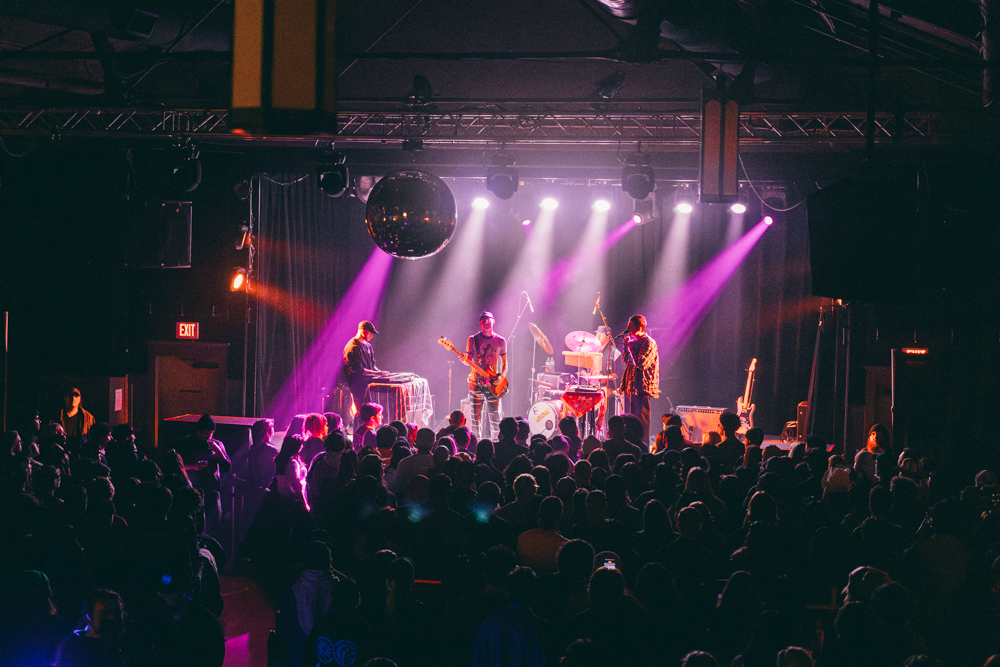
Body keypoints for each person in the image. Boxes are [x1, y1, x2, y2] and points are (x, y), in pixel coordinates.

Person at [174, 414, 232, 539]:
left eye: (211, 433)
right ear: (198, 431)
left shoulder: (217, 444)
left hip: (212, 490)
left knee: (215, 523)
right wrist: (194, 466)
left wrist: (220, 453)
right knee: (194, 525)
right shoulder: (187, 443)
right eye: (205, 433)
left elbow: (227, 467)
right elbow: (176, 465)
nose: (208, 437)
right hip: (193, 491)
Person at [464, 312, 507, 440]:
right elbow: (468, 360)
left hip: (493, 383)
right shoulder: (473, 339)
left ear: (493, 321)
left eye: (488, 319)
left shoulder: (500, 341)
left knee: (496, 417)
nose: (486, 322)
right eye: (483, 320)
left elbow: (505, 363)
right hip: (475, 382)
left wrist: (502, 377)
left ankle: (496, 444)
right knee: (475, 418)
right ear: (480, 323)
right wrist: (463, 360)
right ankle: (476, 444)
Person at [619, 315, 659, 443]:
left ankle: (643, 447)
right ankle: (630, 444)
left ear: (640, 327)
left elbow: (640, 363)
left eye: (630, 325)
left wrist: (630, 346)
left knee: (641, 421)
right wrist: (626, 346)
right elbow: (626, 360)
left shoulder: (649, 343)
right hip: (630, 387)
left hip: (642, 388)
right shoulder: (633, 342)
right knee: (629, 421)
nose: (627, 328)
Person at [343, 320, 387, 428]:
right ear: (363, 331)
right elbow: (359, 369)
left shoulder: (368, 346)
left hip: (368, 383)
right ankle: (358, 433)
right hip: (358, 384)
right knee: (361, 411)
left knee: (369, 411)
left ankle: (368, 431)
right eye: (370, 333)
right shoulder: (353, 347)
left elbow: (372, 364)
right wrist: (377, 373)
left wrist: (380, 373)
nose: (371, 336)